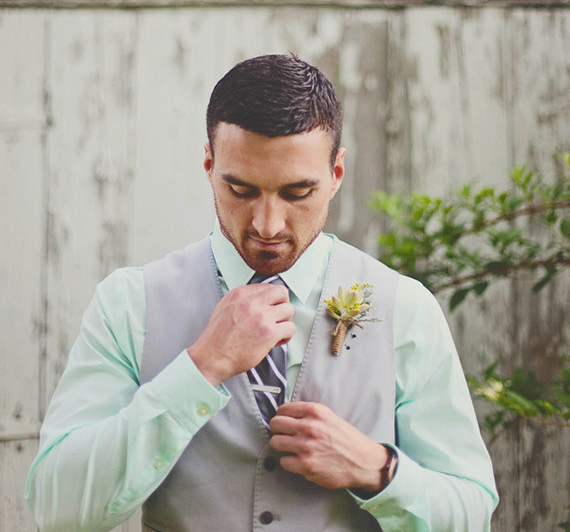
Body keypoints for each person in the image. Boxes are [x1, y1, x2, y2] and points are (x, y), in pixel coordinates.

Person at [26, 54, 498, 532]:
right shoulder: (130, 305)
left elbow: (471, 512)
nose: (267, 225)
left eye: (297, 193)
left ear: (336, 174)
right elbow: (58, 510)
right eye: (241, 189)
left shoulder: (405, 309)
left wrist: (378, 470)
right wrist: (199, 369)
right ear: (209, 165)